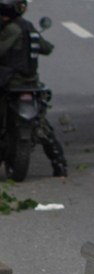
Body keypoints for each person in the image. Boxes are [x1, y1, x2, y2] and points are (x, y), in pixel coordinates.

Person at [0, 0, 67, 176]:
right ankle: (59, 163)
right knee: (42, 125)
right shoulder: (28, 27)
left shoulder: (11, 30)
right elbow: (47, 48)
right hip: (31, 83)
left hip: (10, 84)